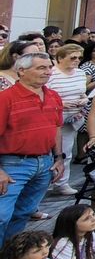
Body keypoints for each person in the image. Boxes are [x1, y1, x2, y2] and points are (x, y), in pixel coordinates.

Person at [0, 53, 65, 241]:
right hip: (12, 164)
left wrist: (59, 158)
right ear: (21, 71)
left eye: (49, 67)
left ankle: (8, 258)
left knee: (24, 213)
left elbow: (56, 128)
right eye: (41, 68)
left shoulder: (53, 95)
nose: (47, 72)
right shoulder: (6, 98)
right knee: (2, 216)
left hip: (45, 162)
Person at [46, 45, 86, 197]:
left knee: (66, 152)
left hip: (72, 118)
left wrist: (84, 100)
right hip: (52, 117)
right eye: (73, 57)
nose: (76, 61)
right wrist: (61, 104)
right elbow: (44, 95)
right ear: (60, 58)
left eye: (79, 58)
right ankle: (47, 182)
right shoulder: (52, 74)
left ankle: (62, 183)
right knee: (49, 153)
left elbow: (83, 93)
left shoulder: (80, 74)